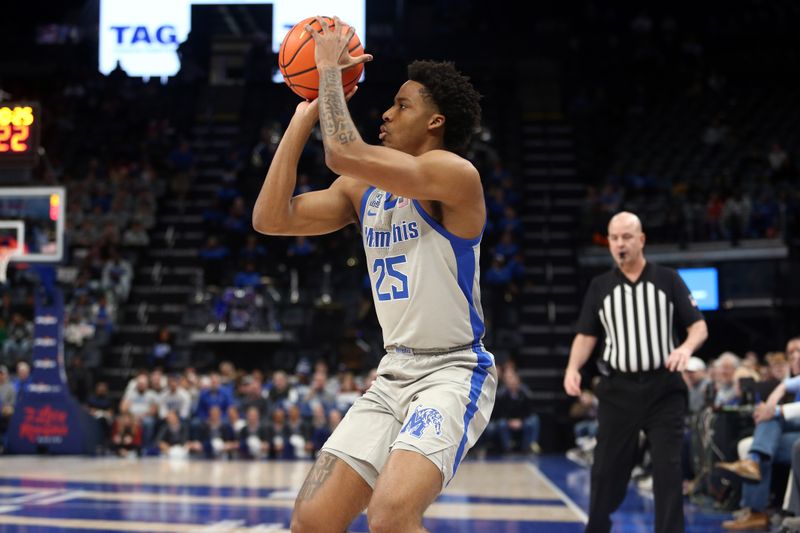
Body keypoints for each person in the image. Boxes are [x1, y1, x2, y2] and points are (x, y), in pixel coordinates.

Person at [253, 16, 496, 532]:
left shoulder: (453, 175)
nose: (385, 113)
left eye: (402, 105)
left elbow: (343, 151)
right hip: (392, 375)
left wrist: (328, 75)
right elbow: (271, 218)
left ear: (435, 122)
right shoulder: (361, 191)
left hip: (451, 371)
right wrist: (305, 115)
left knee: (390, 516)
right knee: (312, 520)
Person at [563, 211, 708, 533]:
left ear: (641, 240)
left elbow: (698, 327)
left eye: (626, 237)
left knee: (667, 468)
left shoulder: (667, 279)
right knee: (604, 470)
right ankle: (597, 527)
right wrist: (573, 368)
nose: (620, 244)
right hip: (618, 390)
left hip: (663, 387)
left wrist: (685, 348)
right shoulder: (600, 286)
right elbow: (586, 334)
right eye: (614, 238)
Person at [716, 337, 800, 530]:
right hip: (791, 434)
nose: (794, 357)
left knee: (768, 425)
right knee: (761, 446)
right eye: (791, 353)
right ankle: (755, 507)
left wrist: (775, 410)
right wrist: (774, 403)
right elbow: (786, 386)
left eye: (798, 352)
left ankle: (756, 510)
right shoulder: (791, 380)